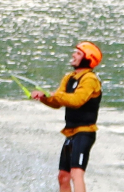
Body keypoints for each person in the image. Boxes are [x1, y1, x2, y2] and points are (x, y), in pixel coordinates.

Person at [31, 41, 103, 192]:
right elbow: (58, 103)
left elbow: (77, 101)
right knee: (63, 176)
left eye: (78, 53)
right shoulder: (69, 77)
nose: (73, 55)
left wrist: (54, 94)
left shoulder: (90, 79)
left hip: (85, 132)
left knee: (76, 173)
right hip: (70, 132)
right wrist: (44, 97)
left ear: (87, 59)